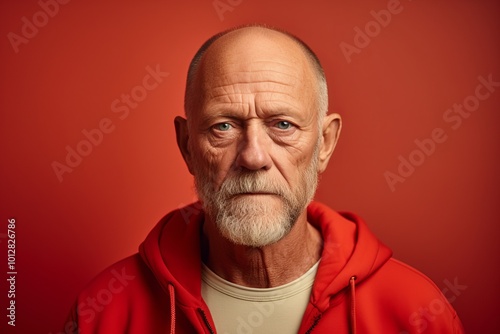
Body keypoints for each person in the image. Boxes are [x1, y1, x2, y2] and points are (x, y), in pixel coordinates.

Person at [65, 24, 464, 334]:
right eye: (223, 126)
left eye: (283, 124)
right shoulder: (104, 311)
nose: (253, 156)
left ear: (325, 143)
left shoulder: (416, 311)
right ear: (187, 146)